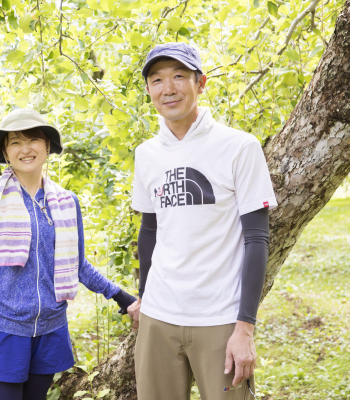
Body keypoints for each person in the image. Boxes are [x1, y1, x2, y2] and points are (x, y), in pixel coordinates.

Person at [128, 42, 278, 400]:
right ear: (149, 90)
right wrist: (144, 296)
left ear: (201, 82)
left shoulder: (239, 147)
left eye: (179, 76)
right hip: (159, 318)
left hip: (220, 321)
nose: (169, 88)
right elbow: (150, 231)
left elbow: (256, 239)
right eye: (157, 79)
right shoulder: (146, 154)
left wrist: (245, 328)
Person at [0, 108, 136, 400]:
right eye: (15, 142)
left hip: (51, 328)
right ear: (6, 153)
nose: (26, 148)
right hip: (4, 328)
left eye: (33, 139)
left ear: (47, 147)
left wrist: (121, 297)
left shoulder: (67, 201)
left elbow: (78, 264)